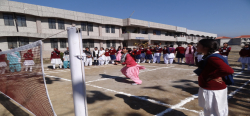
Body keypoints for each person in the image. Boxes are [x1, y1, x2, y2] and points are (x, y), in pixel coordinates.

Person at [196, 39, 234, 116]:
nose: (196, 46)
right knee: (214, 110)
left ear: (206, 47)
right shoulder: (210, 56)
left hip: (213, 89)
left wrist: (213, 76)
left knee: (214, 111)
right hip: (212, 88)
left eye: (198, 45)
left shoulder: (213, 58)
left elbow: (228, 70)